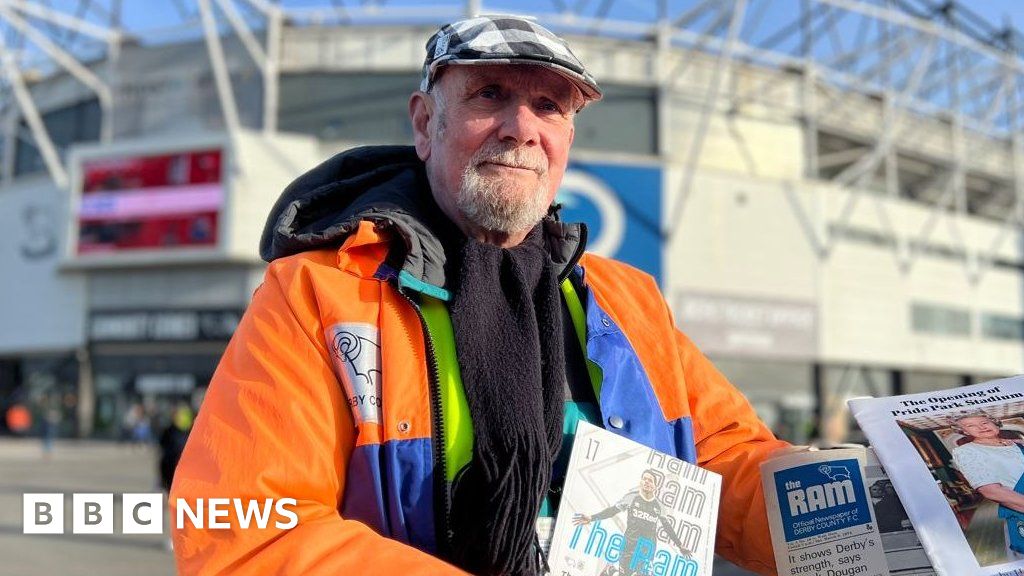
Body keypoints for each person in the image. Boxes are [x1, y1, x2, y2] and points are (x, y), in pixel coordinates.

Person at [170, 15, 787, 576]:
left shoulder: (628, 300)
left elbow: (726, 460)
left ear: (568, 137)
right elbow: (245, 530)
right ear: (423, 122)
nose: (522, 129)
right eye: (490, 94)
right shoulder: (319, 295)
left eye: (550, 106)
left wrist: (861, 504)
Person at [573, 468, 692, 576]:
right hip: (628, 546)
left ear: (655, 486)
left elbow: (667, 527)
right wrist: (592, 518)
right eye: (644, 479)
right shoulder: (631, 498)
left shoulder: (659, 506)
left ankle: (614, 568)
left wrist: (680, 545)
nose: (646, 482)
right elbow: (612, 511)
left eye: (650, 480)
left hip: (647, 549)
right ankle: (612, 569)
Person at [950, 411, 1024, 560]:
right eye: (971, 425)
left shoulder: (1017, 444)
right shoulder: (966, 451)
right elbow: (992, 491)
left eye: (984, 422)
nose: (982, 428)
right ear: (964, 431)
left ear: (995, 423)